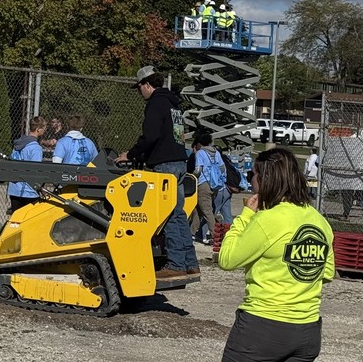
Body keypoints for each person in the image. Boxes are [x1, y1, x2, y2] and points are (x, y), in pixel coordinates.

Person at [218, 147, 334, 362]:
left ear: (264, 180)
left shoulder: (268, 219)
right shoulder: (319, 221)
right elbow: (326, 272)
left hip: (262, 327)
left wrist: (245, 216)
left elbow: (227, 259)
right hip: (307, 328)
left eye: (252, 175)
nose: (250, 180)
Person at [116, 66, 197, 279]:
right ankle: (190, 262)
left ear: (147, 84)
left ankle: (175, 264)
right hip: (179, 161)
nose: (139, 92)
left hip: (165, 165)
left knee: (167, 214)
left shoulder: (155, 104)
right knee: (179, 214)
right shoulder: (173, 104)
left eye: (140, 87)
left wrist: (132, 155)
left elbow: (150, 137)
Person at [188, 132, 221, 244]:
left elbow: (198, 170)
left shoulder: (200, 153)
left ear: (200, 144)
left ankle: (215, 236)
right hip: (215, 184)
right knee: (198, 209)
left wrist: (191, 177)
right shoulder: (216, 153)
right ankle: (191, 233)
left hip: (203, 184)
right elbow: (222, 168)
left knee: (207, 211)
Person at [8, 118, 46, 212]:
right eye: (44, 129)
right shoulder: (35, 148)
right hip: (29, 191)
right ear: (38, 129)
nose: (44, 131)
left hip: (14, 188)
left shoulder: (18, 144)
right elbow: (35, 170)